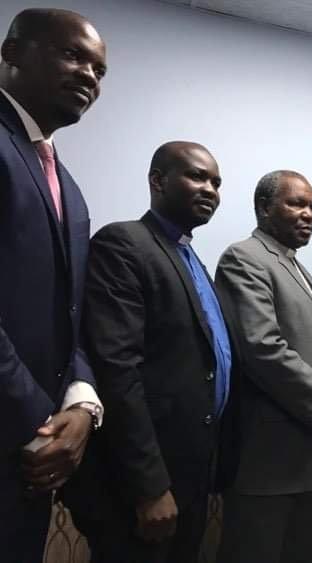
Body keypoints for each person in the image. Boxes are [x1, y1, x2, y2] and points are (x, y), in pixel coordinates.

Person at [64, 142, 233, 563]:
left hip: (191, 477)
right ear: (158, 181)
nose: (210, 189)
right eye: (197, 176)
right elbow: (118, 370)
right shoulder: (124, 244)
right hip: (143, 487)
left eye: (216, 182)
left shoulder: (190, 258)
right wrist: (150, 487)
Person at [0, 9, 106, 561]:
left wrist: (82, 402)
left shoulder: (67, 185)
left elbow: (71, 314)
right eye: (72, 55)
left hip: (36, 463)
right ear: (11, 52)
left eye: (99, 70)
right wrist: (39, 419)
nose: (89, 75)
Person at [215, 170, 312, 563]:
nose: (308, 214)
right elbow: (262, 348)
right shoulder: (245, 258)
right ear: (264, 208)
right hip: (268, 458)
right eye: (296, 203)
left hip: (309, 452)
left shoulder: (293, 265)